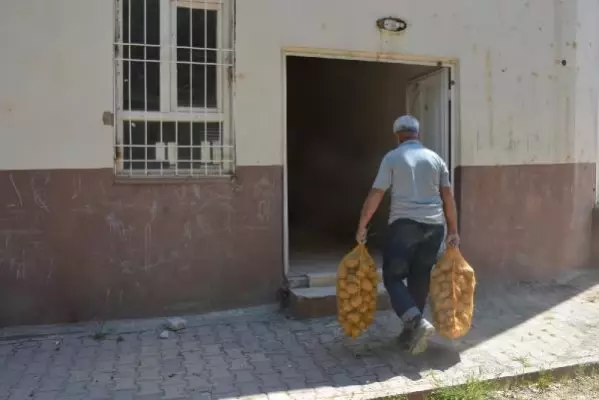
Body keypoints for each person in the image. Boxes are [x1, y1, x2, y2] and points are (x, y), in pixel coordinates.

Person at [355, 115, 459, 355]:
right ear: (418, 134)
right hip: (434, 227)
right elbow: (448, 198)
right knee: (419, 278)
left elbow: (376, 194)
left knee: (392, 277)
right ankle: (411, 333)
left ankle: (415, 322)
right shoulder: (436, 159)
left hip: (404, 227)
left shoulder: (392, 157)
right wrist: (453, 230)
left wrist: (362, 225)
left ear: (397, 136)